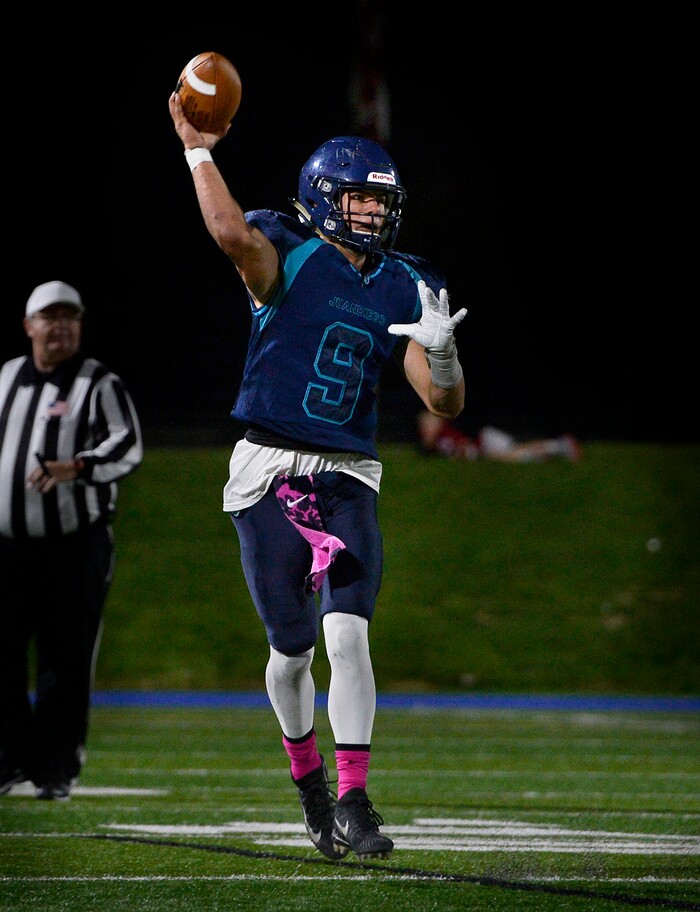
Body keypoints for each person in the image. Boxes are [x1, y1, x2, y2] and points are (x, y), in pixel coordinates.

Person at [168, 91, 467, 861]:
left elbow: (443, 399)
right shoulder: (285, 251)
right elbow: (230, 232)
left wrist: (440, 348)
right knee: (292, 649)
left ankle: (356, 800)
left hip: (347, 472)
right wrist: (198, 147)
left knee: (349, 633)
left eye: (381, 200)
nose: (372, 212)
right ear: (323, 198)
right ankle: (310, 786)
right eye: (360, 197)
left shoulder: (406, 282)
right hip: (268, 467)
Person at [0, 280, 143, 800]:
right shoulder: (7, 377)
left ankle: (56, 767)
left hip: (74, 544)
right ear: (28, 325)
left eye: (70, 316)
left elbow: (127, 446)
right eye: (50, 316)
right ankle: (10, 760)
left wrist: (79, 466)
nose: (60, 325)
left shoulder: (98, 382)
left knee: (66, 657)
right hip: (10, 546)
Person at [417, 410, 582, 462]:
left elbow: (466, 445)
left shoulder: (447, 431)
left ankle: (560, 445)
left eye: (427, 425)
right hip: (484, 445)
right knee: (517, 454)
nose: (425, 429)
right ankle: (556, 448)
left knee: (515, 453)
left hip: (486, 439)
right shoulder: (440, 441)